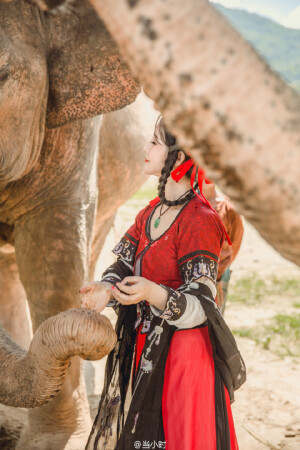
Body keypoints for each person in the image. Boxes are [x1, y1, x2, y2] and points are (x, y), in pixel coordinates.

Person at [80, 116, 245, 450]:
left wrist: (152, 292)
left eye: (154, 142)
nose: (145, 148)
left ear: (179, 158)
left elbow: (202, 305)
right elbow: (124, 265)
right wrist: (105, 290)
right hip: (148, 347)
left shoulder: (200, 219)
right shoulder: (150, 212)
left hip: (184, 356)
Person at [203, 181, 244, 313]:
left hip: (218, 277)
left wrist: (221, 269)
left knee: (215, 324)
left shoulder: (228, 208)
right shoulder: (186, 205)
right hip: (189, 279)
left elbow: (235, 242)